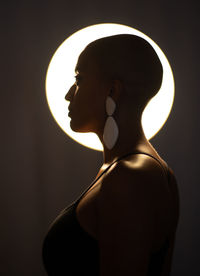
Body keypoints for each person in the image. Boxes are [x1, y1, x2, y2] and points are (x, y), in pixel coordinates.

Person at [42, 34, 180, 276]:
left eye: (79, 79)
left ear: (113, 90)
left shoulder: (129, 177)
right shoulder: (138, 170)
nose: (68, 94)